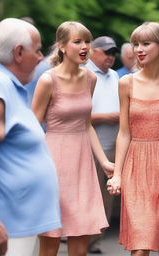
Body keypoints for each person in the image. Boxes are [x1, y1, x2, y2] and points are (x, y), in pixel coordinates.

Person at [0, 18, 61, 256]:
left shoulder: (0, 82)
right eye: (38, 50)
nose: (41, 58)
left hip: (15, 223)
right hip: (5, 225)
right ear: (18, 52)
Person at [107, 22, 159, 256]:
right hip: (137, 165)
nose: (138, 49)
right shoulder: (127, 83)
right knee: (140, 243)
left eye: (145, 43)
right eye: (135, 44)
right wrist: (118, 174)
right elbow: (124, 132)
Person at [32, 21, 114, 256]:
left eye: (87, 41)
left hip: (82, 163)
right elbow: (33, 128)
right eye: (77, 41)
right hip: (53, 161)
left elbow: (86, 125)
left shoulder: (90, 78)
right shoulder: (48, 80)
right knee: (50, 241)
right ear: (61, 46)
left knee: (81, 239)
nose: (84, 46)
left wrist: (104, 162)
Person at [85, 36, 119, 254]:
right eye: (106, 52)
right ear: (93, 52)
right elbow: (76, 115)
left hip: (113, 144)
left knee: (107, 197)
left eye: (113, 52)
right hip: (88, 144)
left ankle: (96, 240)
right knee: (88, 195)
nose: (110, 57)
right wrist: (106, 117)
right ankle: (81, 238)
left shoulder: (115, 75)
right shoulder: (84, 74)